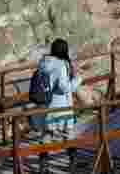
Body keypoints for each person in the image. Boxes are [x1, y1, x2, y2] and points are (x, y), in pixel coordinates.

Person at [30, 38, 83, 174]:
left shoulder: (43, 62)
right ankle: (73, 162)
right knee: (68, 133)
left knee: (46, 135)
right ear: (64, 51)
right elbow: (64, 88)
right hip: (60, 106)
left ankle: (44, 166)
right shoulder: (60, 65)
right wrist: (78, 80)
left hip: (46, 105)